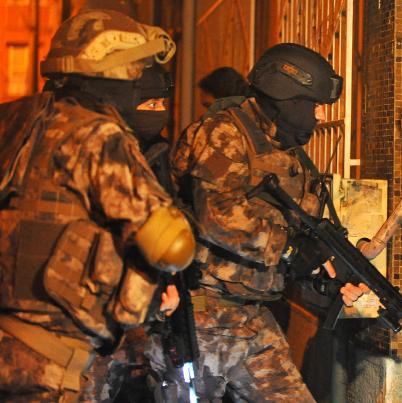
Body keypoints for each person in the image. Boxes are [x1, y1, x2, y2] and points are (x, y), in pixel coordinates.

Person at [0, 9, 195, 402]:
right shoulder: (98, 134)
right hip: (47, 360)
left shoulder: (16, 120)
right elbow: (172, 244)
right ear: (116, 71)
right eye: (136, 70)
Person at [170, 43, 368, 402]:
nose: (320, 116)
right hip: (204, 315)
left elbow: (299, 235)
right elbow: (217, 213)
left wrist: (328, 275)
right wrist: (290, 248)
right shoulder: (223, 134)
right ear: (286, 96)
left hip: (253, 318)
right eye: (315, 105)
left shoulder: (286, 154)